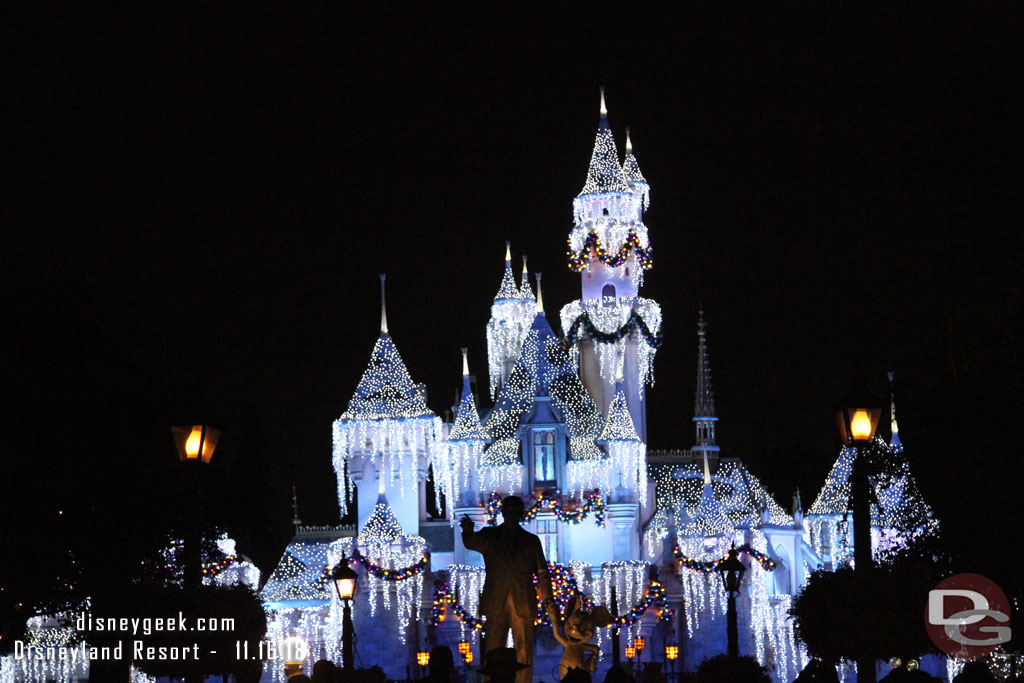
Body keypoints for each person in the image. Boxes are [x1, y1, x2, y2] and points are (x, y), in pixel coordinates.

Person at [461, 495, 557, 683]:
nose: (512, 515)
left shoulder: (531, 541)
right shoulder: (490, 535)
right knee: (493, 648)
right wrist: (467, 531)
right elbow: (471, 543)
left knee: (525, 650)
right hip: (497, 598)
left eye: (516, 512)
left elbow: (542, 573)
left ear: (521, 514)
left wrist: (548, 600)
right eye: (509, 511)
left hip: (523, 600)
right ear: (503, 513)